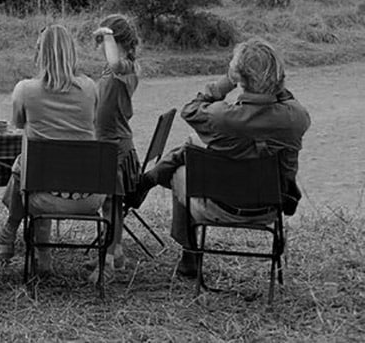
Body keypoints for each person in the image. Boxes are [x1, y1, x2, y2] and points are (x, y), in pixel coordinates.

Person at [127, 37, 311, 276]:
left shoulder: (220, 117)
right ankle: (151, 180)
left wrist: (226, 82)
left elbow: (190, 109)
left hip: (218, 207)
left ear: (240, 77)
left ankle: (190, 254)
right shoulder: (296, 118)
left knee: (185, 163)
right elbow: (286, 100)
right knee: (193, 149)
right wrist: (272, 86)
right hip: (270, 207)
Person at [0, 24, 103, 275]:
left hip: (43, 197)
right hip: (90, 196)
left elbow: (17, 124)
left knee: (26, 168)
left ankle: (19, 240)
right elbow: (93, 122)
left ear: (39, 53)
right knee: (30, 167)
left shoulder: (25, 89)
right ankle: (22, 243)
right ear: (72, 52)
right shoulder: (90, 88)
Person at [91, 14, 141, 275]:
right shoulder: (113, 69)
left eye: (103, 42)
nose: (100, 47)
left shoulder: (126, 67)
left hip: (116, 146)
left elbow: (114, 61)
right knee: (110, 203)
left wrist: (107, 34)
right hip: (105, 143)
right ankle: (115, 251)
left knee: (111, 203)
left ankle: (110, 257)